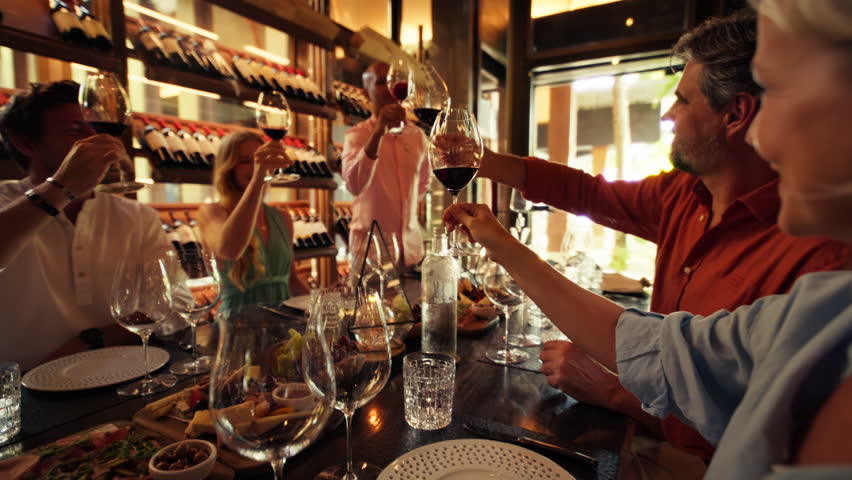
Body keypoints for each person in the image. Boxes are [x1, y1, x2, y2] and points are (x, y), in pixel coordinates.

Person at [444, 0, 852, 476]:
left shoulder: (825, 266)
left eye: (682, 99)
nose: (667, 115)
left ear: (737, 114)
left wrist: (619, 393)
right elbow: (589, 194)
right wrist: (479, 160)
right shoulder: (686, 195)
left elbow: (726, 414)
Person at [0, 81, 175, 371]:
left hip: (128, 374)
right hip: (27, 399)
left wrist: (93, 341)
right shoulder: (6, 204)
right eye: (75, 130)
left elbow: (174, 301)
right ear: (25, 142)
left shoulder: (137, 216)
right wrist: (62, 186)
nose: (96, 138)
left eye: (96, 127)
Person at [198, 130, 309, 312]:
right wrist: (258, 177)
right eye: (245, 161)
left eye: (258, 160)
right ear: (228, 168)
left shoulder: (282, 217)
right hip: (237, 327)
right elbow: (229, 250)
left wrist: (322, 304)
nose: (255, 166)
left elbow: (291, 280)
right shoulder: (211, 213)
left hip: (283, 325)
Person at [341, 61, 431, 267]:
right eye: (382, 82)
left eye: (395, 81)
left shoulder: (417, 136)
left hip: (412, 253)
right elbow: (354, 184)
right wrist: (379, 132)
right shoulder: (356, 135)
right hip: (370, 256)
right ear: (366, 92)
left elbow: (423, 185)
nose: (391, 86)